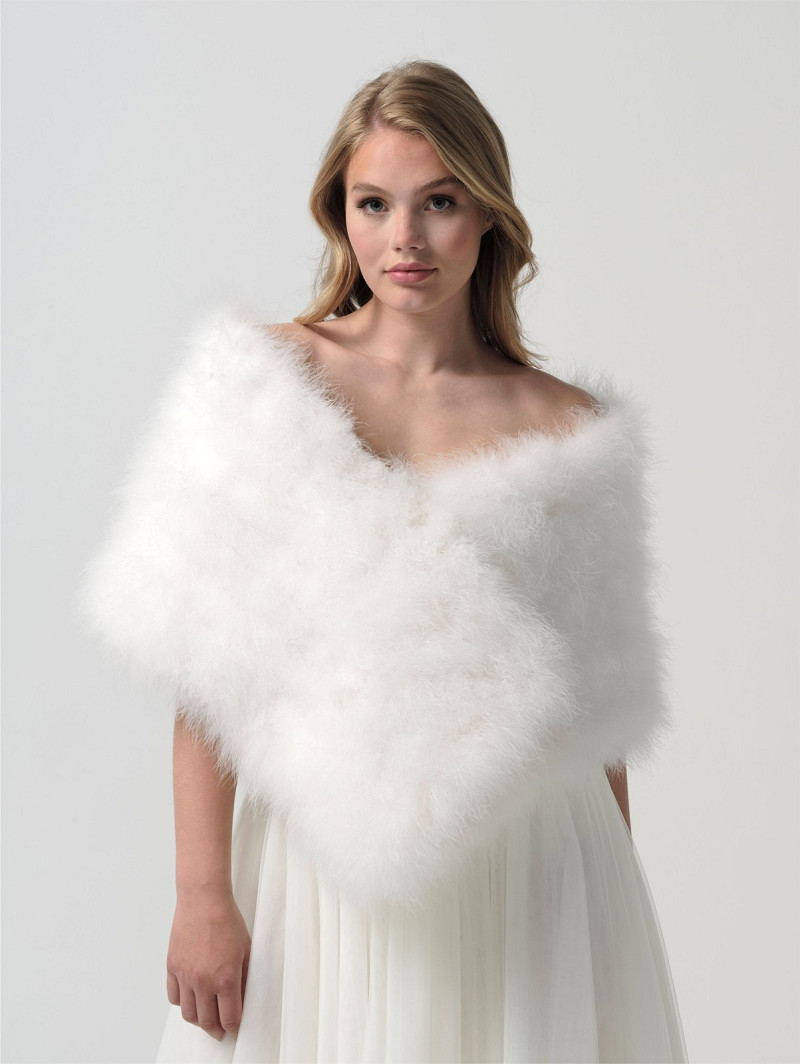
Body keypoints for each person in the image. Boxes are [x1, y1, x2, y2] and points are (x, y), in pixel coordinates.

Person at [79, 59, 688, 1063]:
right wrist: (201, 893)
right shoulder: (267, 384)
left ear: (486, 214)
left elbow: (600, 706)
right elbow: (208, 666)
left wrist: (609, 918)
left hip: (532, 868)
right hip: (320, 870)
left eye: (438, 202)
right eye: (374, 203)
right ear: (340, 213)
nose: (403, 237)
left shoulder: (569, 429)